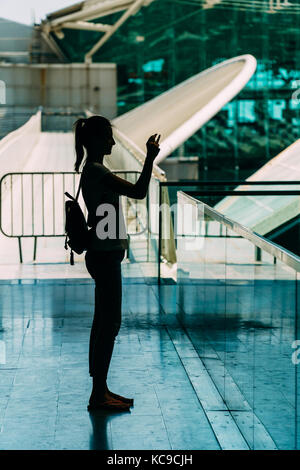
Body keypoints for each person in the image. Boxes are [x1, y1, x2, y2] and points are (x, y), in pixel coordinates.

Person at [73, 115, 160, 411]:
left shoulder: (92, 170)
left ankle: (101, 389)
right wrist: (149, 158)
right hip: (105, 255)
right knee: (109, 323)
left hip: (102, 254)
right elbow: (139, 191)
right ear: (96, 140)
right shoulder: (97, 171)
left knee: (103, 322)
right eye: (108, 137)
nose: (112, 142)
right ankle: (98, 394)